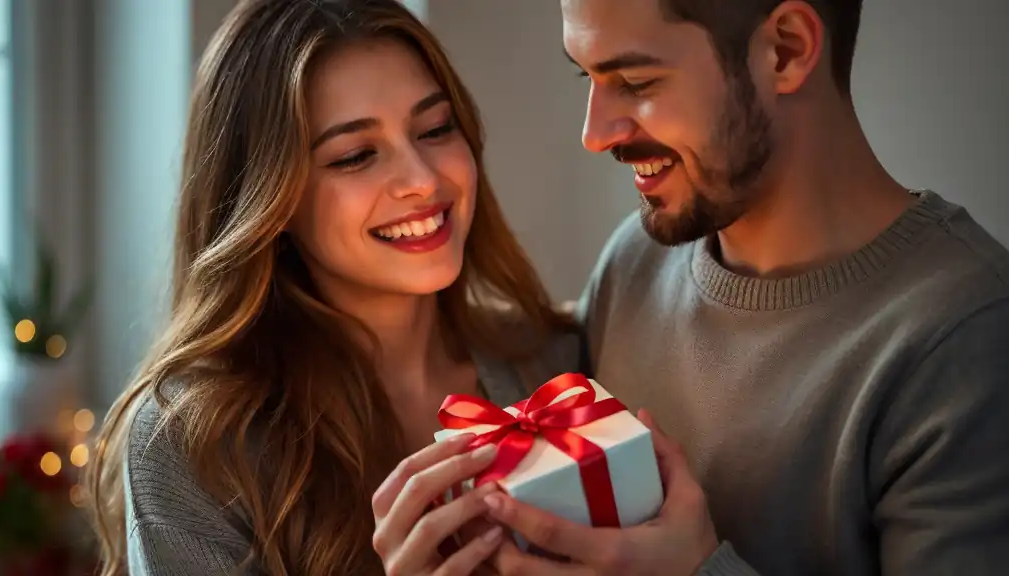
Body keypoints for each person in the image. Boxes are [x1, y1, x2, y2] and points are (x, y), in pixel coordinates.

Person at [441, 0, 1009, 574]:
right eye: (585, 76)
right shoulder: (635, 260)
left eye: (635, 81)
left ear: (785, 49)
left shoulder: (970, 338)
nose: (594, 134)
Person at [83, 0, 582, 574]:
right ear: (271, 200)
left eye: (436, 128)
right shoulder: (193, 445)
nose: (422, 180)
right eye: (355, 156)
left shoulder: (556, 364)